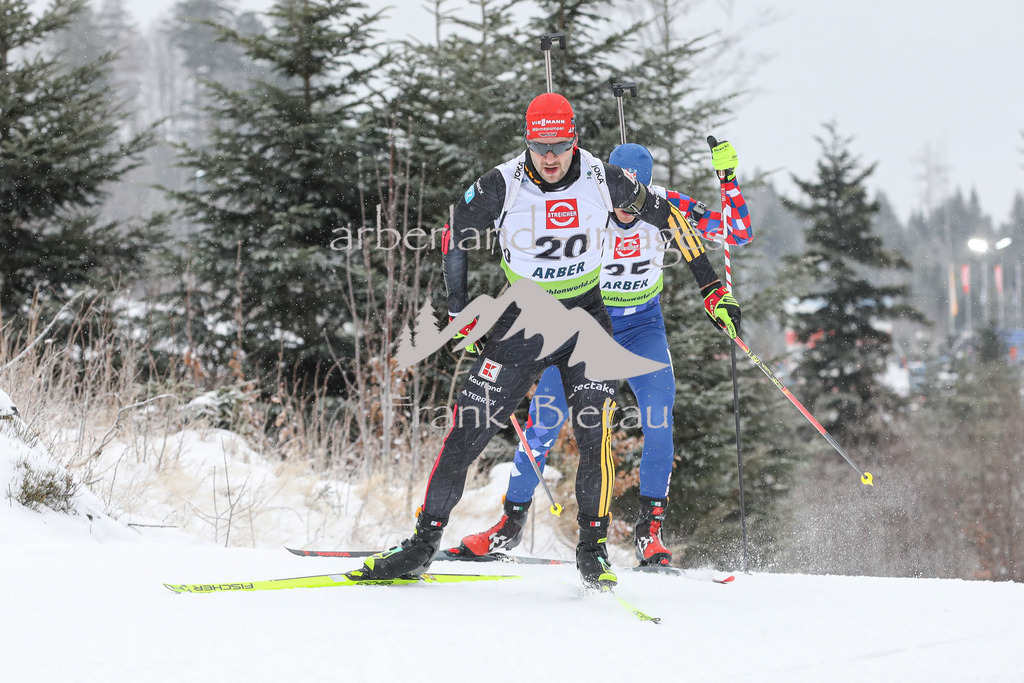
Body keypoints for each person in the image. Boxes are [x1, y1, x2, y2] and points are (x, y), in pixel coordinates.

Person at [351, 93, 741, 591]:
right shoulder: (504, 183)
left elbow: (675, 221)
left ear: (575, 138)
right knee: (467, 430)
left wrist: (713, 292)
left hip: (587, 318)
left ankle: (591, 550)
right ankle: (422, 544)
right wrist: (458, 309)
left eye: (559, 144)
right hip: (524, 320)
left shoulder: (604, 179)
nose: (551, 155)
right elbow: (454, 234)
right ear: (527, 141)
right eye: (540, 145)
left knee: (594, 433)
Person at [450, 141, 752, 568]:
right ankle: (509, 527)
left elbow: (735, 233)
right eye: (626, 200)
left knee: (659, 416)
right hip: (584, 328)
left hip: (642, 326)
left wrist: (727, 181)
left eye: (640, 199)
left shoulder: (665, 203)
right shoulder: (584, 198)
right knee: (545, 420)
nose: (632, 210)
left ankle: (650, 533)